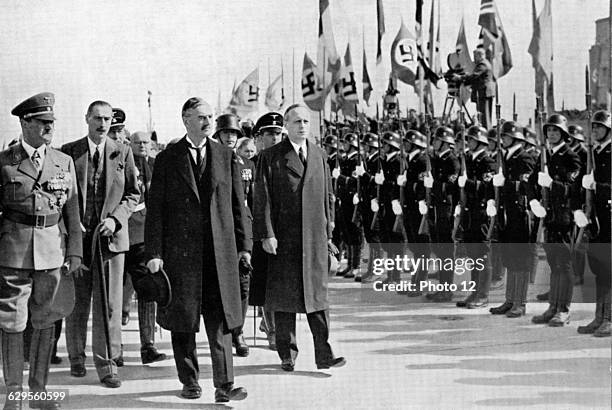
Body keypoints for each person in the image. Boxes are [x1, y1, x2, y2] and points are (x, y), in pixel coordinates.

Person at [145, 97, 251, 403]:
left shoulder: (225, 155)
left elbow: (237, 205)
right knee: (183, 320)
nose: (208, 122)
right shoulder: (168, 158)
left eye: (210, 116)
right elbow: (156, 210)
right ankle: (189, 380)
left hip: (220, 255)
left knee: (220, 321)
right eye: (201, 117)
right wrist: (154, 252)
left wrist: (244, 246)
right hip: (181, 256)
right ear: (186, 119)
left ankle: (225, 384)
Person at [1, 92, 82, 410]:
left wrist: (74, 252)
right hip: (13, 250)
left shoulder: (63, 162)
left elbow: (74, 213)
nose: (50, 127)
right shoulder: (4, 161)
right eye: (43, 122)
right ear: (25, 123)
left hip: (52, 251)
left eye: (52, 122)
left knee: (45, 319)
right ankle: (15, 394)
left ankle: (38, 391)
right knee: (12, 321)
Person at [253, 103, 345, 372]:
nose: (302, 126)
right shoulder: (271, 157)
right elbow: (263, 199)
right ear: (286, 126)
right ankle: (287, 353)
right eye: (296, 122)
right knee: (284, 300)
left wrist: (329, 231)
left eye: (306, 121)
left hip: (314, 237)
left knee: (318, 297)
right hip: (285, 237)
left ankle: (324, 354)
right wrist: (267, 234)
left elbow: (328, 195)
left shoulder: (319, 154)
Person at [62, 100, 139, 388]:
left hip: (111, 242)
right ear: (87, 119)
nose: (103, 123)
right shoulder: (69, 152)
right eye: (97, 117)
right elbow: (60, 195)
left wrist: (116, 220)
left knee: (109, 304)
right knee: (78, 303)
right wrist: (72, 223)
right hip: (78, 242)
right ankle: (76, 358)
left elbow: (132, 194)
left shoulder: (123, 152)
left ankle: (107, 364)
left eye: (107, 118)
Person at [528, 114, 581, 326]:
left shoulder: (571, 157)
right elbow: (530, 182)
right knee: (553, 264)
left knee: (564, 263)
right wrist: (533, 202)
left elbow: (573, 189)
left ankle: (564, 310)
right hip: (547, 216)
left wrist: (552, 184)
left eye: (556, 131)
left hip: (564, 216)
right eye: (549, 131)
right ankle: (553, 307)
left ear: (563, 134)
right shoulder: (545, 155)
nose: (551, 134)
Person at [121, 131, 167, 364]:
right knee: (116, 295)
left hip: (144, 238)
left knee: (148, 290)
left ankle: (147, 345)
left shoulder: (156, 165)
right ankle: (114, 349)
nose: (142, 146)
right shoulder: (121, 162)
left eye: (145, 142)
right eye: (137, 142)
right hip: (122, 234)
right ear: (130, 144)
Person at [213, 113, 253, 357]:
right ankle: (224, 333)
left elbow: (254, 199)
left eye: (234, 134)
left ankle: (238, 331)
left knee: (243, 284)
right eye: (226, 133)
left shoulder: (245, 165)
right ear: (218, 135)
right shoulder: (211, 160)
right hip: (218, 230)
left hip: (243, 228)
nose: (230, 137)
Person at [488, 122, 535, 318]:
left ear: (515, 138)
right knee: (509, 257)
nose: (502, 139)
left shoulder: (524, 157)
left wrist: (504, 183)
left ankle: (520, 302)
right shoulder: (505, 156)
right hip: (506, 212)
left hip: (519, 213)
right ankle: (509, 300)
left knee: (520, 258)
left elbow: (526, 185)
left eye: (506, 136)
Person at [249, 112, 285, 351]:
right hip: (258, 230)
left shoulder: (286, 161)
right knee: (266, 282)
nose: (275, 138)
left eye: (278, 134)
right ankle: (273, 330)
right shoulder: (250, 163)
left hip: (284, 231)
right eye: (269, 134)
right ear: (257, 137)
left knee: (281, 282)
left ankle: (269, 322)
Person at [577, 110, 611, 337]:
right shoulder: (595, 152)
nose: (596, 130)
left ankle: (608, 318)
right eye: (594, 126)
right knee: (598, 270)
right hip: (596, 219)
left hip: (609, 217)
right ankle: (599, 316)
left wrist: (597, 186)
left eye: (600, 126)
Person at [454, 48, 496, 129]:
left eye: (475, 56)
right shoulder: (485, 63)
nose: (474, 59)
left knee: (484, 117)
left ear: (480, 56)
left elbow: (474, 76)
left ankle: (486, 132)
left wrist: (460, 77)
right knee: (483, 116)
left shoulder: (483, 64)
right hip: (484, 93)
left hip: (484, 93)